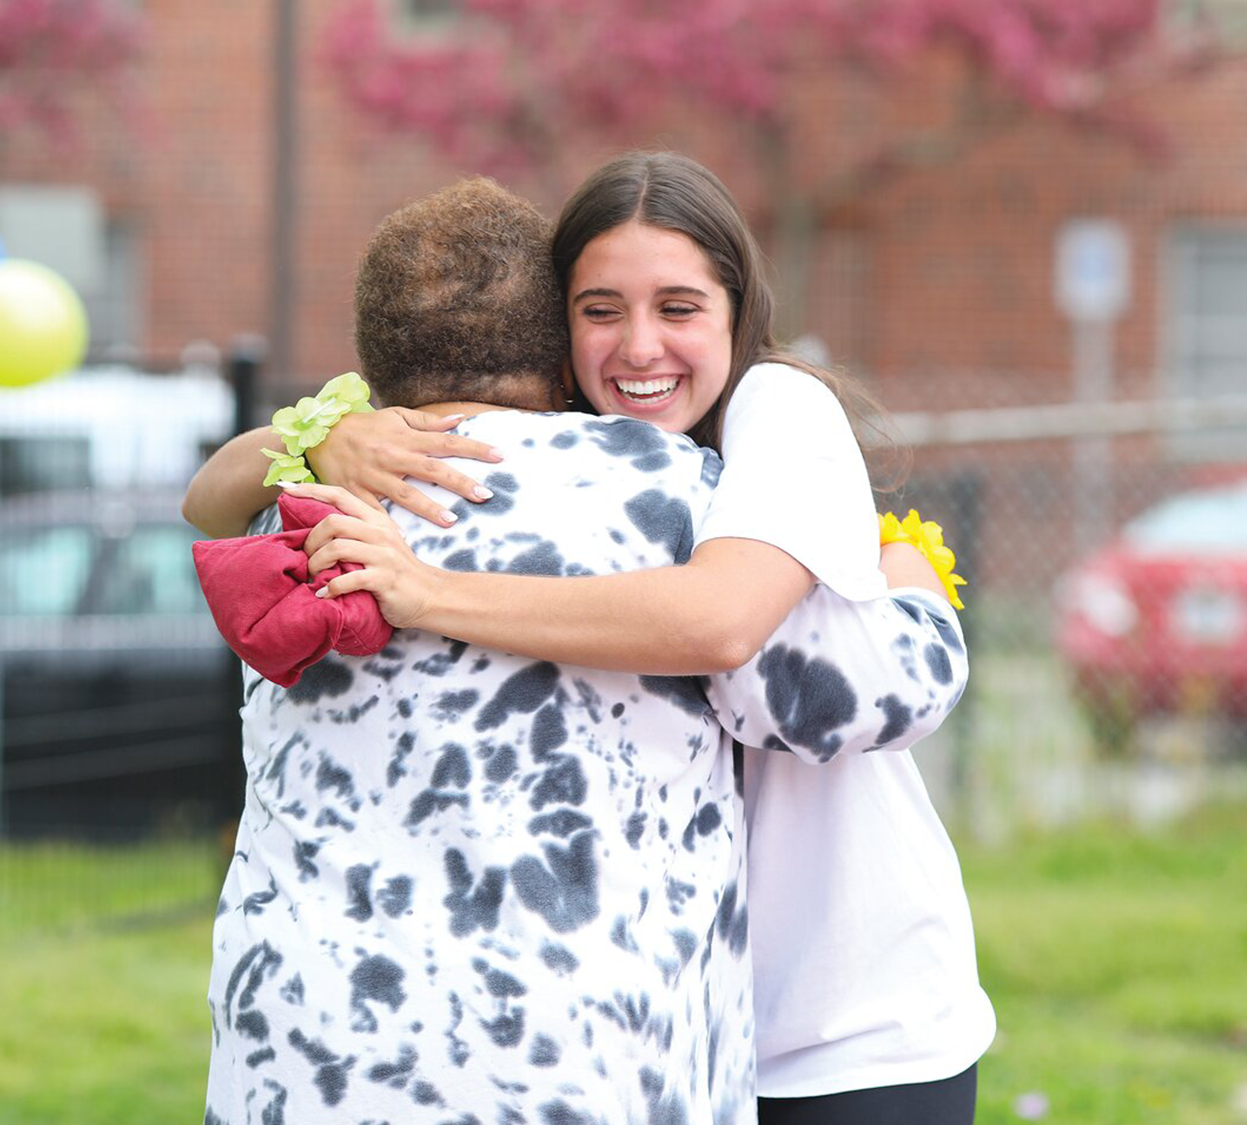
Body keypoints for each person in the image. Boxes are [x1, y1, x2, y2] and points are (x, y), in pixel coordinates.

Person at [187, 152, 993, 1125]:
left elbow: (723, 627)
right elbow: (208, 494)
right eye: (601, 310)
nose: (640, 346)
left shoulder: (776, 415)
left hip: (845, 1012)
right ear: (553, 331)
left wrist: (911, 585)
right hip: (700, 1018)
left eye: (681, 307)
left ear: (739, 311)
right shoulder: (557, 462)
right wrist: (315, 439)